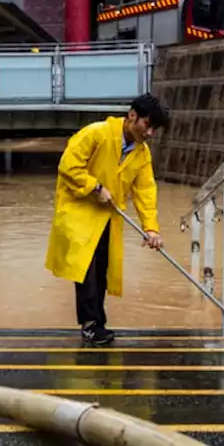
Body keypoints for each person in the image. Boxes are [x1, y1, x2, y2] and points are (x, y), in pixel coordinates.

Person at [45, 93, 170, 345]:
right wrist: (95, 187)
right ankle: (91, 324)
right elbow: (69, 166)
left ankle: (97, 322)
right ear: (132, 115)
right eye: (148, 125)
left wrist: (151, 228)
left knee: (101, 270)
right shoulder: (96, 133)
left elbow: (145, 191)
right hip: (78, 211)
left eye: (154, 129)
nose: (150, 134)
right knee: (86, 268)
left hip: (107, 216)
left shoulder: (141, 154)